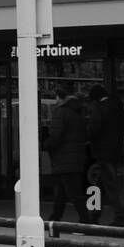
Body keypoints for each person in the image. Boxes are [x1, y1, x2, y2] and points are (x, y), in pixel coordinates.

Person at [42, 87, 92, 224]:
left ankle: (85, 219)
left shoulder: (61, 113)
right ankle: (55, 217)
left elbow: (55, 135)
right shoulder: (78, 114)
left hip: (63, 157)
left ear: (60, 98)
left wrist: (45, 145)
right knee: (63, 191)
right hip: (75, 157)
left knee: (72, 191)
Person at [86, 84, 124, 227]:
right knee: (101, 183)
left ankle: (119, 217)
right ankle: (94, 214)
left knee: (110, 185)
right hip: (116, 150)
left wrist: (87, 137)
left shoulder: (98, 108)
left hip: (103, 152)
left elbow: (93, 129)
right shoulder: (118, 108)